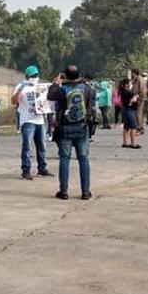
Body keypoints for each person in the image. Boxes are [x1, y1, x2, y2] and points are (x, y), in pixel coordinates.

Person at [48, 66, 92, 200]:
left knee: (65, 159)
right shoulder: (87, 89)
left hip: (65, 128)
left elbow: (50, 96)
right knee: (83, 159)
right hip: (82, 126)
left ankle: (64, 191)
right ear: (79, 75)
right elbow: (90, 106)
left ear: (65, 76)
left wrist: (55, 83)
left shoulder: (62, 90)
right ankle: (85, 192)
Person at [11, 65, 51, 180]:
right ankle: (26, 170)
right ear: (27, 76)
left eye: (36, 75)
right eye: (32, 76)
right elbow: (13, 101)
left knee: (42, 146)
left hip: (39, 120)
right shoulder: (21, 87)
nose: (35, 77)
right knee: (27, 146)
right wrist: (20, 89)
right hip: (27, 120)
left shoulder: (40, 87)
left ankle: (42, 168)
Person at [119, 78, 141, 149]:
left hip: (127, 110)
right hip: (129, 110)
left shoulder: (125, 91)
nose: (131, 84)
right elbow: (130, 101)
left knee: (127, 127)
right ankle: (133, 143)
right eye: (130, 83)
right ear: (126, 85)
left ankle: (125, 142)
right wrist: (135, 98)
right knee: (133, 126)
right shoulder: (125, 92)